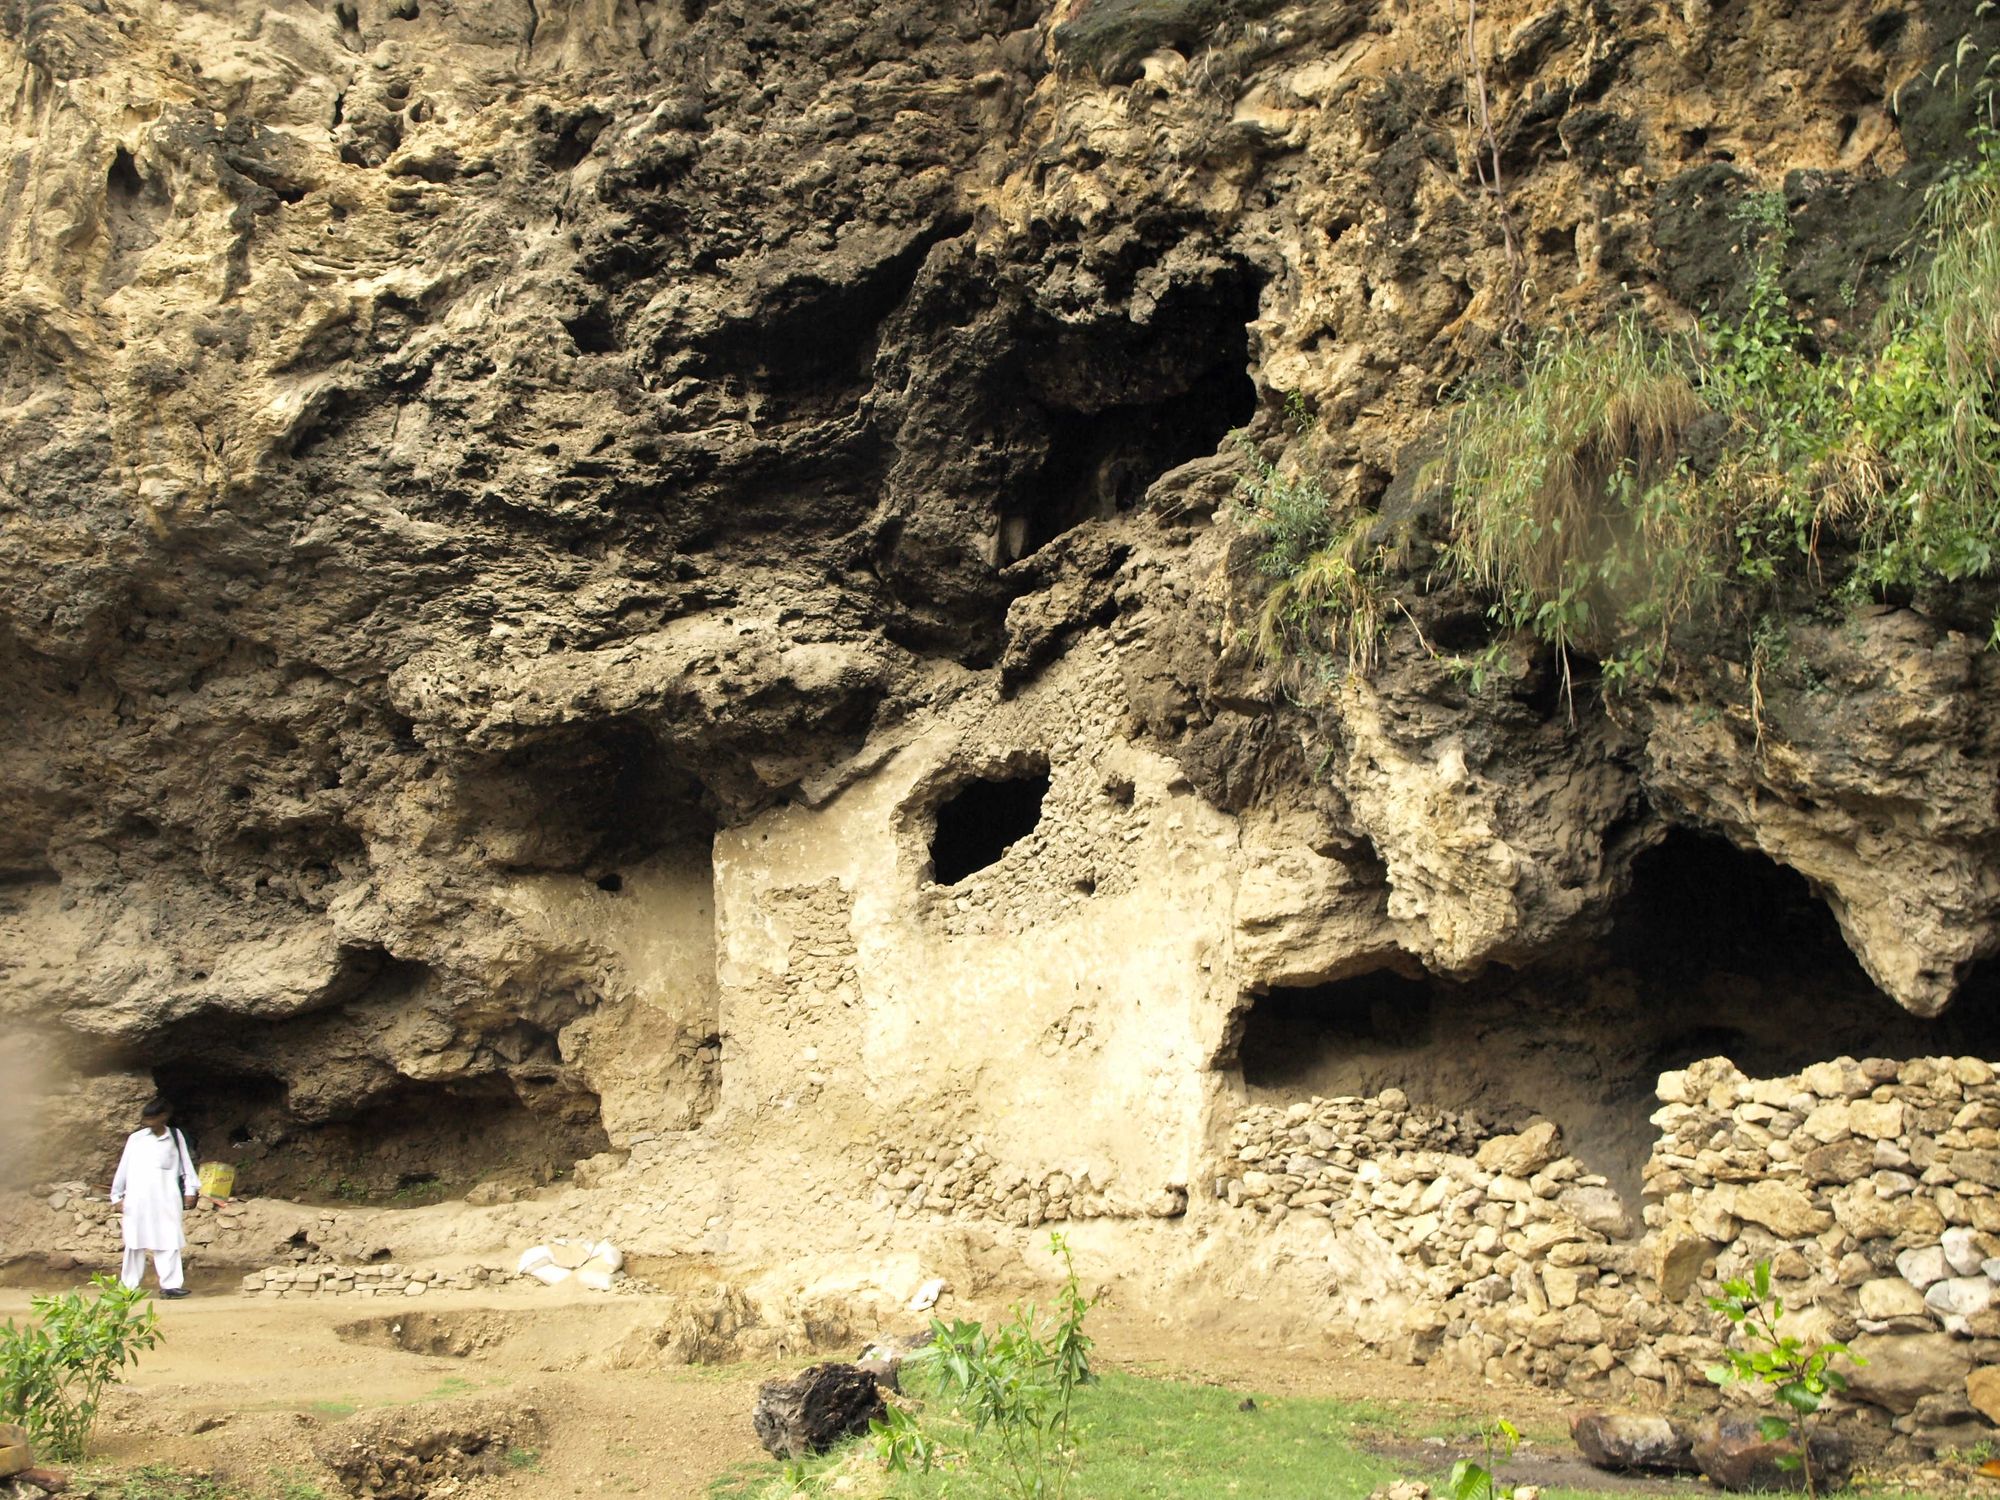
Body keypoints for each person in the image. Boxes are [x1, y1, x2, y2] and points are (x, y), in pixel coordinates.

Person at [109, 1098, 197, 1298]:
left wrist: (191, 1190)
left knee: (169, 1240)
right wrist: (116, 1196)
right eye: (146, 1118)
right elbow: (123, 1169)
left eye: (152, 1118)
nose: (147, 1122)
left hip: (166, 1198)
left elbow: (186, 1164)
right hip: (137, 1200)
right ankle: (128, 1287)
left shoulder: (175, 1136)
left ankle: (171, 1286)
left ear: (164, 1117)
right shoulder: (136, 1139)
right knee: (134, 1242)